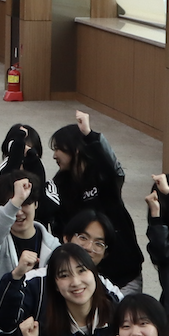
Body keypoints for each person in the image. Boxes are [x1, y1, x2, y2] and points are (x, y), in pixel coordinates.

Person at [43, 111, 142, 290]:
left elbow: (112, 166)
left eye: (58, 149)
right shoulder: (59, 185)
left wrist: (89, 135)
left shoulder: (102, 176)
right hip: (84, 275)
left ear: (75, 149)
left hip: (124, 272)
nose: (54, 155)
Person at [0, 173, 55, 312]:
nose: (19, 212)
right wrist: (14, 203)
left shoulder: (52, 246)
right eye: (13, 205)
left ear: (36, 204)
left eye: (25, 203)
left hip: (35, 322)